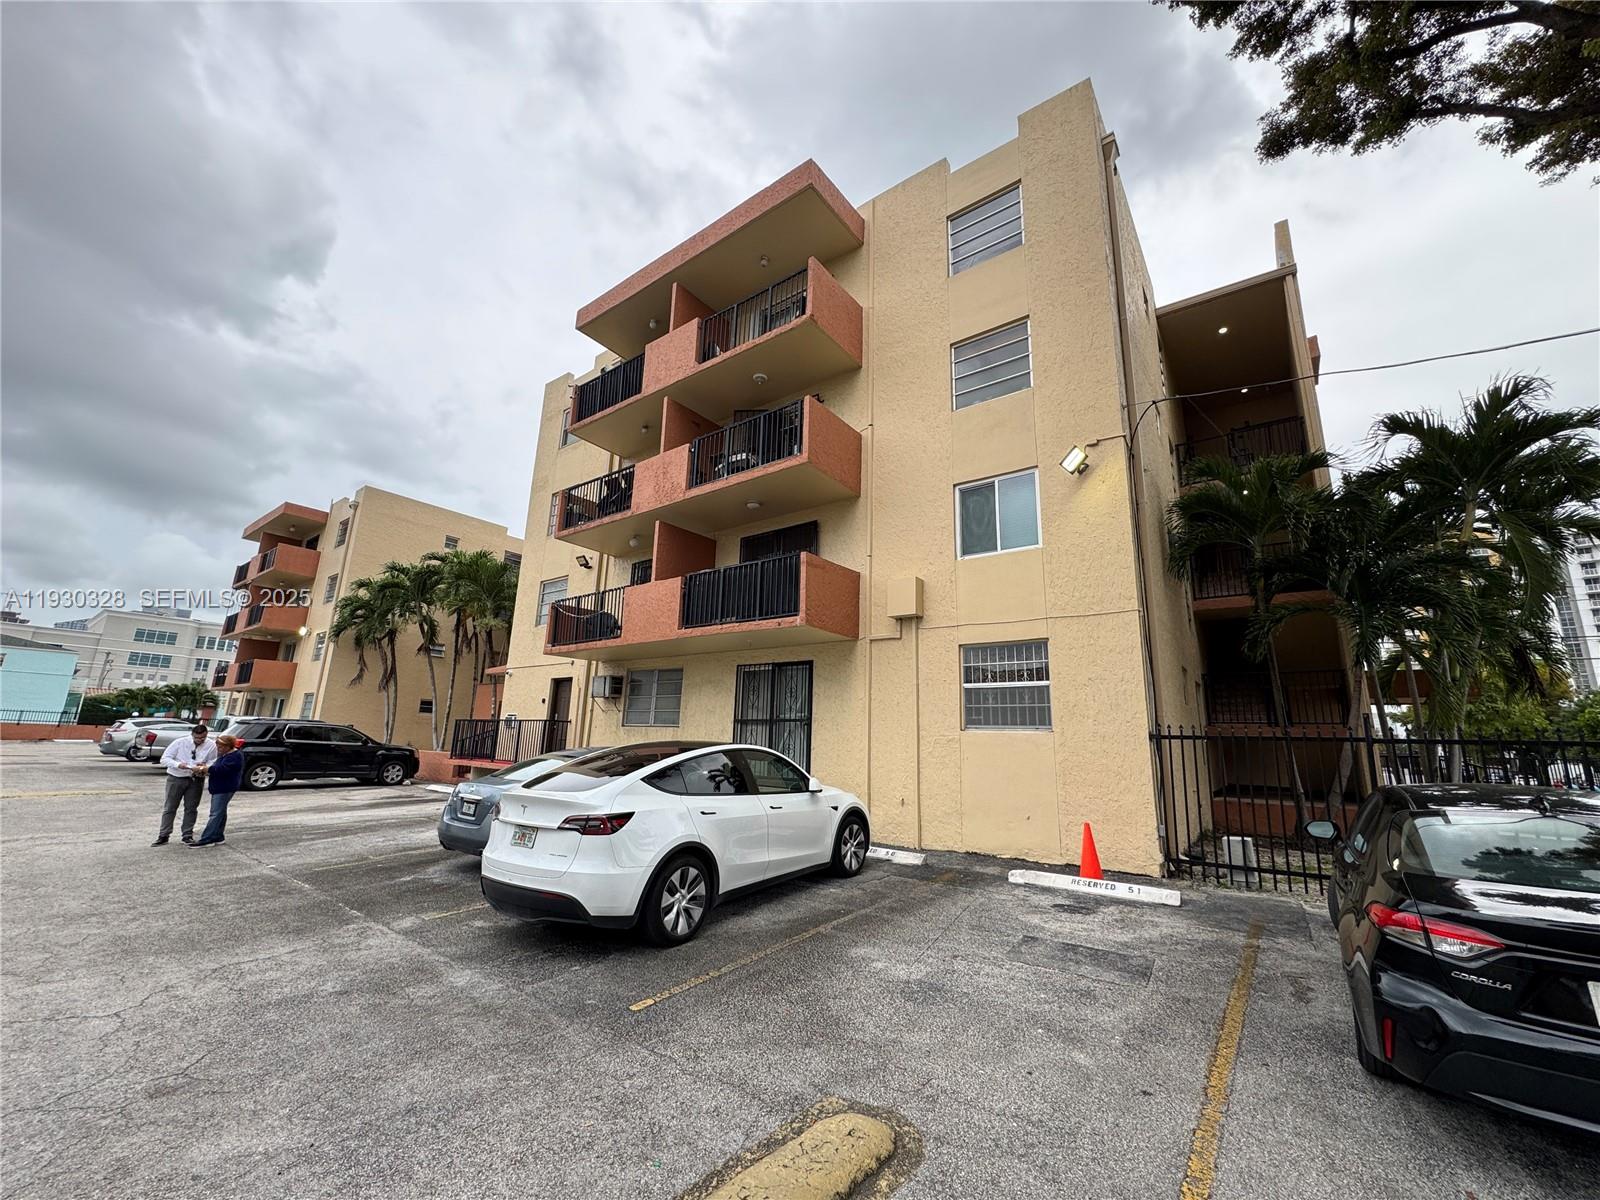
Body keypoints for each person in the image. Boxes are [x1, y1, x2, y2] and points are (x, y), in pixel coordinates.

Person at [152, 724, 217, 846]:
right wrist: (178, 765)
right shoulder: (180, 742)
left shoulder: (211, 745)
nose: (199, 741)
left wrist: (204, 766)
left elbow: (213, 760)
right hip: (177, 777)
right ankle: (164, 835)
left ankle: (187, 835)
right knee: (170, 807)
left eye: (202, 738)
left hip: (196, 778)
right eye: (197, 738)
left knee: (191, 808)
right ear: (192, 735)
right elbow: (165, 759)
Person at [193, 735, 243, 847]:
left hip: (224, 788)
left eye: (221, 746)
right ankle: (218, 836)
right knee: (221, 812)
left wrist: (205, 769)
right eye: (218, 746)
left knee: (215, 813)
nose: (218, 748)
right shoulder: (225, 755)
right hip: (220, 787)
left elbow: (222, 769)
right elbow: (217, 767)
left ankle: (207, 838)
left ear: (228, 746)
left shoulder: (234, 756)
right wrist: (207, 767)